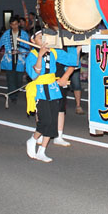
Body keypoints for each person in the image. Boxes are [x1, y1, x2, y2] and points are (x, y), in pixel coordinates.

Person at [24, 30, 76, 162]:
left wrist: (74, 44)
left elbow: (72, 60)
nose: (43, 40)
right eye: (40, 37)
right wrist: (40, 56)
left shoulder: (54, 52)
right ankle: (33, 139)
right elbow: (34, 74)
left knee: (53, 121)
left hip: (53, 89)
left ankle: (42, 151)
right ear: (33, 41)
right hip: (39, 89)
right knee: (45, 120)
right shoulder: (32, 55)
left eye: (45, 37)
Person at [0, 15, 29, 104]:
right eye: (12, 24)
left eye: (16, 24)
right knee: (10, 79)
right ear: (10, 25)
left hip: (20, 60)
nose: (14, 26)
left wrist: (19, 51)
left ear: (19, 24)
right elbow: (0, 43)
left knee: (19, 80)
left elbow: (27, 47)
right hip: (9, 59)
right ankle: (13, 96)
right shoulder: (6, 34)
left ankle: (15, 92)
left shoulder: (24, 34)